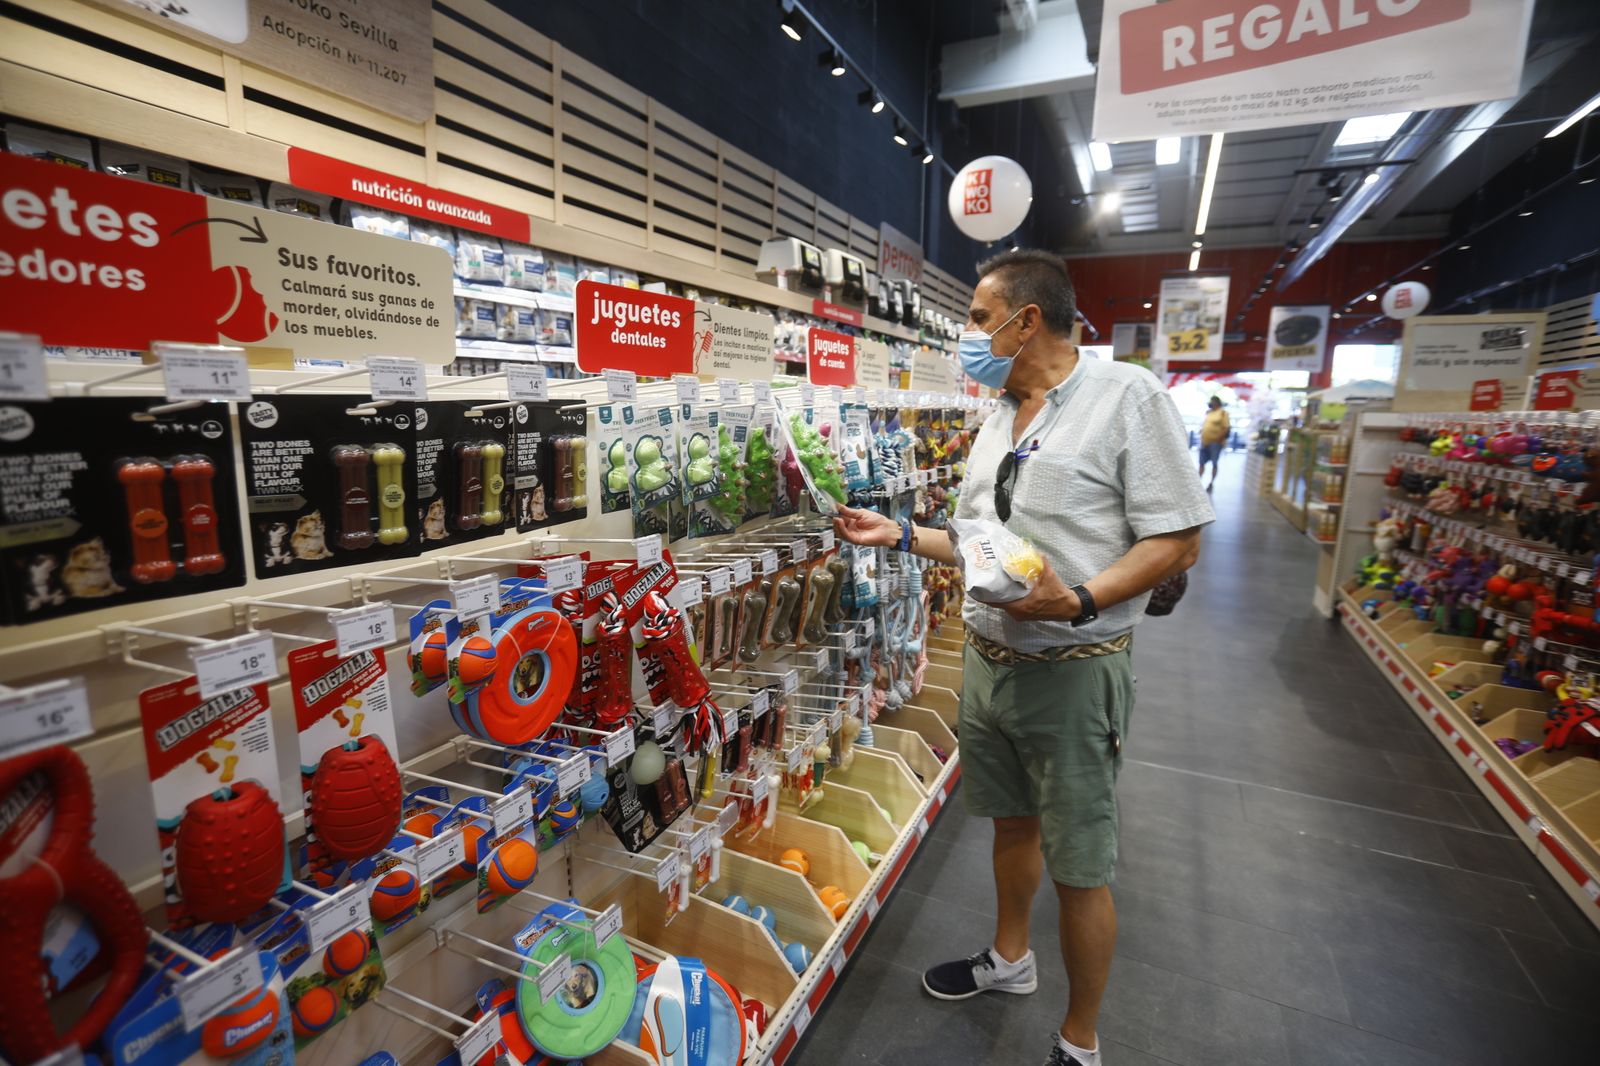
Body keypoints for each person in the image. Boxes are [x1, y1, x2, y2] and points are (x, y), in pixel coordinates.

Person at [834, 250, 1213, 1066]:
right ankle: (1010, 960)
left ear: (1025, 319)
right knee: (1011, 824)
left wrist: (1080, 598)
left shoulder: (1124, 398)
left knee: (1082, 862)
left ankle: (1081, 1040)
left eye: (977, 318)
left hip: (1076, 670)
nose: (970, 336)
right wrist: (898, 532)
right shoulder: (1001, 413)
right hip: (989, 663)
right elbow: (978, 544)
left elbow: (1178, 537)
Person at [1198, 395, 1230, 490]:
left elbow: (1226, 428)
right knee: (1201, 463)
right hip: (1205, 442)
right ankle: (1198, 483)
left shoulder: (1223, 413)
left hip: (1215, 443)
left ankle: (1211, 483)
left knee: (1214, 463)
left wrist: (1219, 439)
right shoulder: (1209, 413)